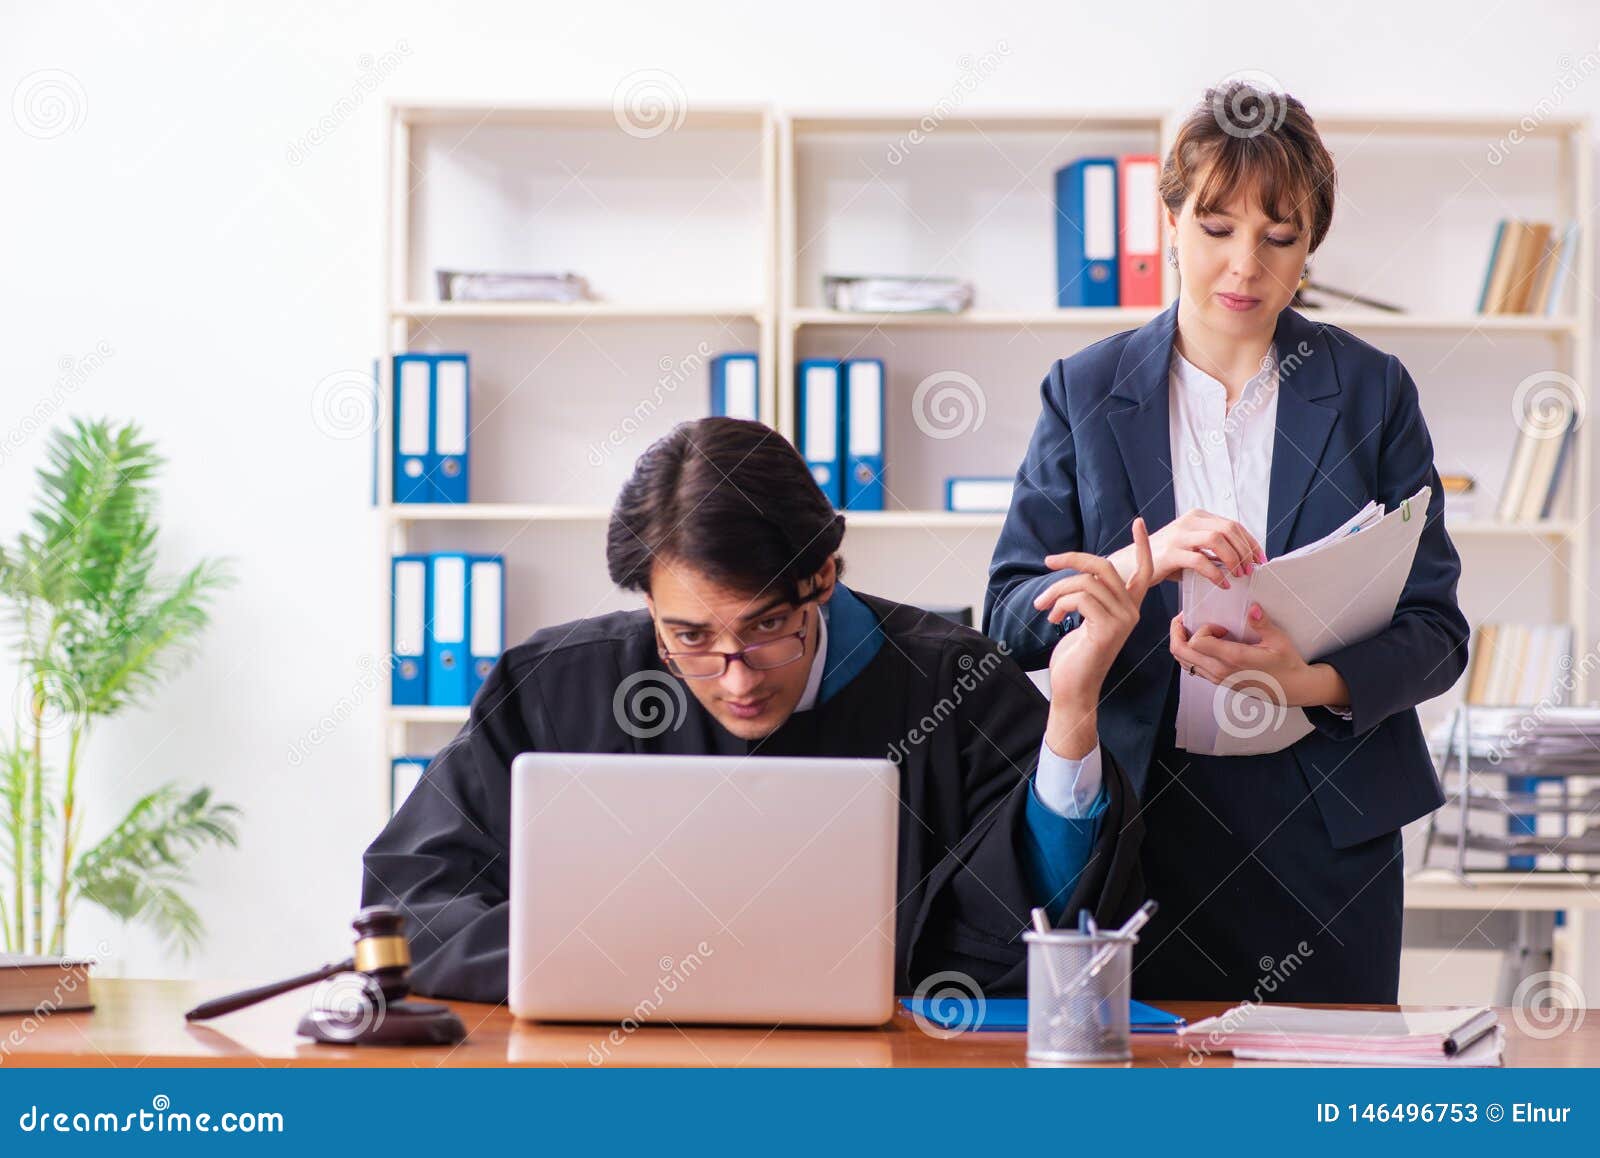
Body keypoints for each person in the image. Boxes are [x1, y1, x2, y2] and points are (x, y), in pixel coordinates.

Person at [362, 417, 1155, 1003]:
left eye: (767, 627)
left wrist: (1074, 711)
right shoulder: (554, 687)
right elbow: (411, 903)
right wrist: (598, 961)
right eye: (691, 637)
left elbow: (1046, 929)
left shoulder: (957, 686)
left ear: (823, 575)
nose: (736, 679)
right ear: (647, 602)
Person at [984, 82, 1469, 1004]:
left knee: (1325, 1107)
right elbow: (1008, 618)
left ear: (1309, 248)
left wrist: (1305, 683)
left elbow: (1437, 633)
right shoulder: (1084, 393)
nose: (1243, 265)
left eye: (1278, 238)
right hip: (1141, 821)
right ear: (1168, 220)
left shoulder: (1372, 392)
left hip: (1328, 825)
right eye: (1215, 228)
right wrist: (1141, 563)